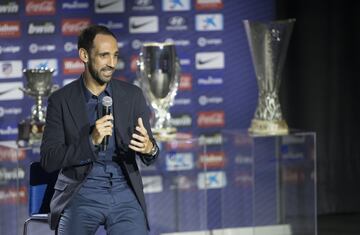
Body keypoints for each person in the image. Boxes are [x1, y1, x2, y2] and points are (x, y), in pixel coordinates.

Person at [40, 25, 159, 235]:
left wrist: (149, 148)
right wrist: (90, 141)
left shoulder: (132, 96)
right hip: (80, 193)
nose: (112, 64)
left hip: (125, 193)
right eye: (104, 56)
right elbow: (49, 159)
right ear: (84, 55)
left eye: (115, 56)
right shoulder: (61, 101)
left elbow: (150, 153)